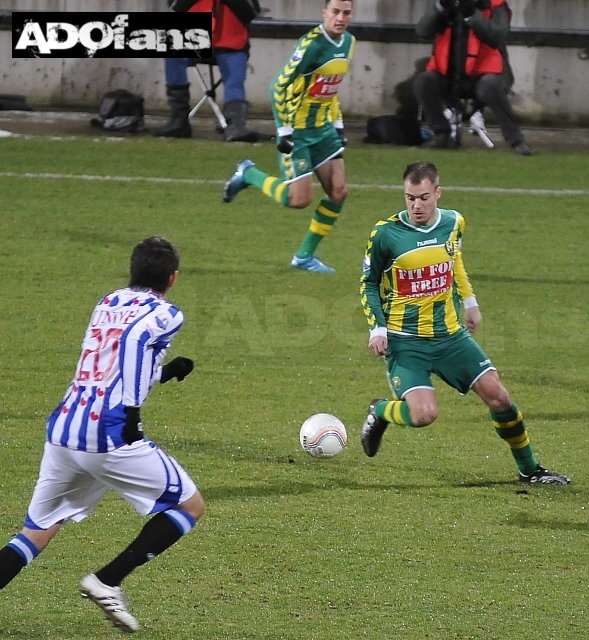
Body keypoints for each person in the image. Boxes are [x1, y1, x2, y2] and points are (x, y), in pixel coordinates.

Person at [0, 237, 204, 632]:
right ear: (173, 278)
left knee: (36, 533)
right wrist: (130, 414)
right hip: (109, 434)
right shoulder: (167, 313)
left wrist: (164, 371)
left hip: (63, 430)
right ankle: (107, 580)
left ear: (132, 271)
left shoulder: (107, 303)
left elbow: (106, 365)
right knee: (189, 505)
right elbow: (133, 344)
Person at [359, 161, 569, 484]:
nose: (417, 205)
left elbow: (455, 260)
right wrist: (377, 328)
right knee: (424, 415)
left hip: (450, 336)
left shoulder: (454, 223)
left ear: (438, 193)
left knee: (500, 397)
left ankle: (530, 469)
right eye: (410, 198)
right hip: (406, 341)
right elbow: (368, 283)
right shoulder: (385, 234)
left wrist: (470, 303)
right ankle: (381, 411)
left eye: (424, 197)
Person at [222, 0, 355, 273]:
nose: (340, 18)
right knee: (299, 200)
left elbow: (330, 86)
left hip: (324, 129)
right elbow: (278, 86)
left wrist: (338, 124)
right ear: (324, 13)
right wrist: (284, 131)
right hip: (299, 130)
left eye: (346, 13)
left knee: (339, 192)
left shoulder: (349, 43)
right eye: (335, 12)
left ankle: (304, 257)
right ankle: (249, 174)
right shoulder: (312, 45)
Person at [413, 0, 532, 155]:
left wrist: (472, 14)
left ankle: (516, 140)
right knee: (424, 81)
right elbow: (422, 31)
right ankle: (441, 134)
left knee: (491, 85)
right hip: (448, 75)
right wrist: (440, 7)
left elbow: (498, 35)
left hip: (482, 76)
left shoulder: (495, 5)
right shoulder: (448, 5)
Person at [152, 0, 260, 142]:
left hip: (231, 40)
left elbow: (251, 11)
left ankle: (236, 125)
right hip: (195, 38)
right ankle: (179, 120)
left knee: (234, 75)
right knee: (172, 52)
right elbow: (175, 5)